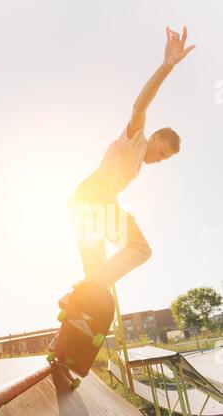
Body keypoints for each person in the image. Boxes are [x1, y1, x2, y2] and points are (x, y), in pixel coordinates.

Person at [70, 26, 195, 289]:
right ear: (155, 138)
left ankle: (78, 309)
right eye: (161, 153)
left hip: (84, 204)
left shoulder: (137, 161)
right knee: (140, 249)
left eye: (165, 160)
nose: (159, 160)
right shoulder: (135, 140)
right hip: (95, 197)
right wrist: (167, 65)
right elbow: (140, 105)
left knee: (97, 276)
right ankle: (85, 290)